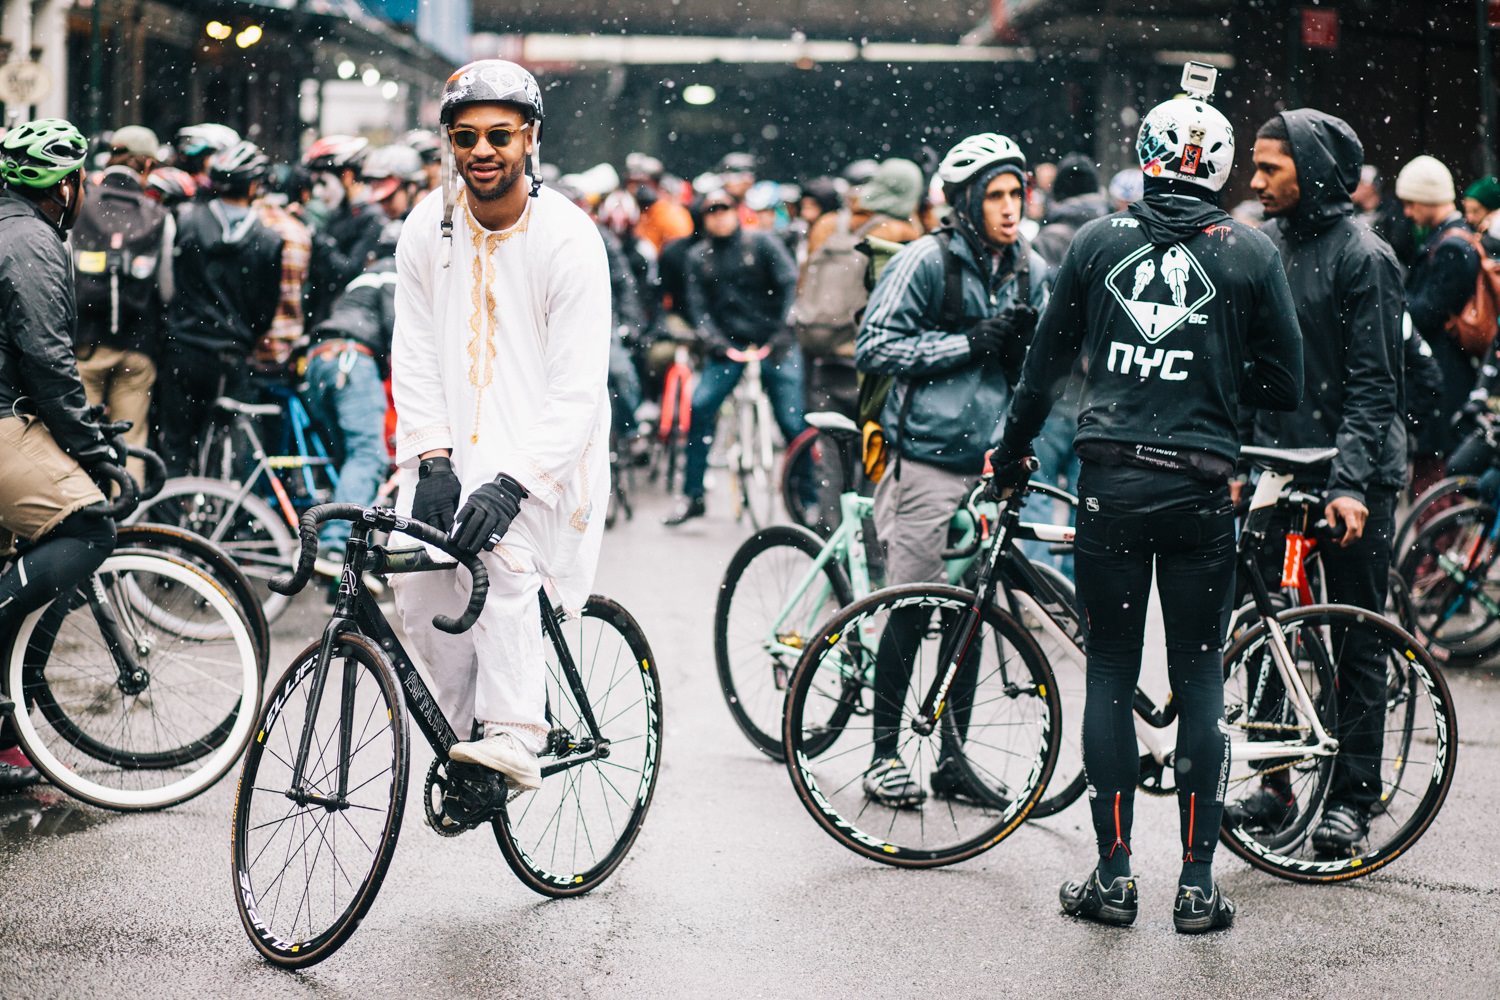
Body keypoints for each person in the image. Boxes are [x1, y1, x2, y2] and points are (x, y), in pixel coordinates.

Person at [990, 88, 1303, 934]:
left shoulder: (1096, 241)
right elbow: (1288, 383)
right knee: (1201, 674)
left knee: (1110, 673)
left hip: (1111, 483)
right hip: (1201, 485)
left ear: (1151, 152)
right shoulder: (1250, 252)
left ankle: (1115, 878)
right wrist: (1215, 383)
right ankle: (1197, 888)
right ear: (1223, 164)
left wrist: (1012, 449)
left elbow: (1043, 368)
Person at [390, 59, 612, 792]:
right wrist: (432, 459)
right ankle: (464, 743)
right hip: (450, 446)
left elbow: (579, 389)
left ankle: (516, 734)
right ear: (448, 142)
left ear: (531, 138)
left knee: (503, 561)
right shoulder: (427, 225)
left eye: (499, 135)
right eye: (465, 136)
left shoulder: (570, 238)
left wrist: (514, 484)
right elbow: (414, 349)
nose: (481, 151)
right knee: (416, 583)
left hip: (545, 454)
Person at [853, 132, 1048, 807]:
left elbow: (1047, 367)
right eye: (993, 195)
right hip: (927, 462)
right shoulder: (924, 261)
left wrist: (1025, 352)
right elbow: (874, 345)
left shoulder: (1031, 268)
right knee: (911, 606)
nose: (1008, 207)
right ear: (965, 202)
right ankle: (882, 755)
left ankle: (952, 758)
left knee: (970, 616)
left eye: (1015, 193)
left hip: (990, 465)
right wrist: (967, 342)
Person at [1240, 110, 1405, 857]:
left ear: (1313, 169)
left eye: (1271, 167)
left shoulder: (1364, 256)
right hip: (1278, 469)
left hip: (1354, 474)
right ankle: (1274, 780)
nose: (1254, 180)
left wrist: (1350, 484)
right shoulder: (1264, 244)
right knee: (1269, 626)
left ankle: (1352, 796)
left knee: (1354, 636)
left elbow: (1375, 387)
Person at [0, 119, 124, 791]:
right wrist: (93, 449)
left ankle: (6, 738)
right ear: (66, 186)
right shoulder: (31, 241)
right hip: (0, 421)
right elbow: (46, 359)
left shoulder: (9, 225)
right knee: (88, 524)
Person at [662, 188, 803, 525]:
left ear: (736, 211)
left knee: (793, 420)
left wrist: (783, 332)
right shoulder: (699, 257)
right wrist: (716, 343)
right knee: (700, 407)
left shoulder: (763, 243)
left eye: (724, 208)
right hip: (728, 348)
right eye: (710, 210)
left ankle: (806, 498)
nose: (718, 215)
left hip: (774, 342)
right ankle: (692, 495)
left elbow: (790, 285)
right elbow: (699, 311)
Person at [157, 141, 284, 476]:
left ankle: (168, 520)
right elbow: (264, 311)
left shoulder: (186, 222)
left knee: (175, 443)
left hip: (182, 350)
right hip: (230, 357)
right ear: (254, 186)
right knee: (228, 448)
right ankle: (222, 516)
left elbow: (168, 283)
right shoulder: (268, 240)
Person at [70, 124, 175, 483]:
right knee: (131, 442)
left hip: (86, 342)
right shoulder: (159, 216)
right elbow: (166, 288)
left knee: (79, 439)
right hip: (138, 345)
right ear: (145, 166)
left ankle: (82, 518)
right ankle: (129, 522)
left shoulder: (81, 204)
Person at [1397, 154, 1480, 489]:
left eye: (1412, 203)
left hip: (1445, 374)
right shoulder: (1451, 240)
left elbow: (1428, 311)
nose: (1407, 212)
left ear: (1429, 198)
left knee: (1436, 477)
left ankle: (1438, 542)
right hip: (1446, 371)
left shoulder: (1451, 247)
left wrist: (1396, 300)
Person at [303, 135, 382, 326]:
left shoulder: (372, 217)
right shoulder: (338, 213)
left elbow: (349, 272)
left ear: (346, 176)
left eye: (323, 183)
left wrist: (317, 237)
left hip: (350, 326)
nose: (318, 192)